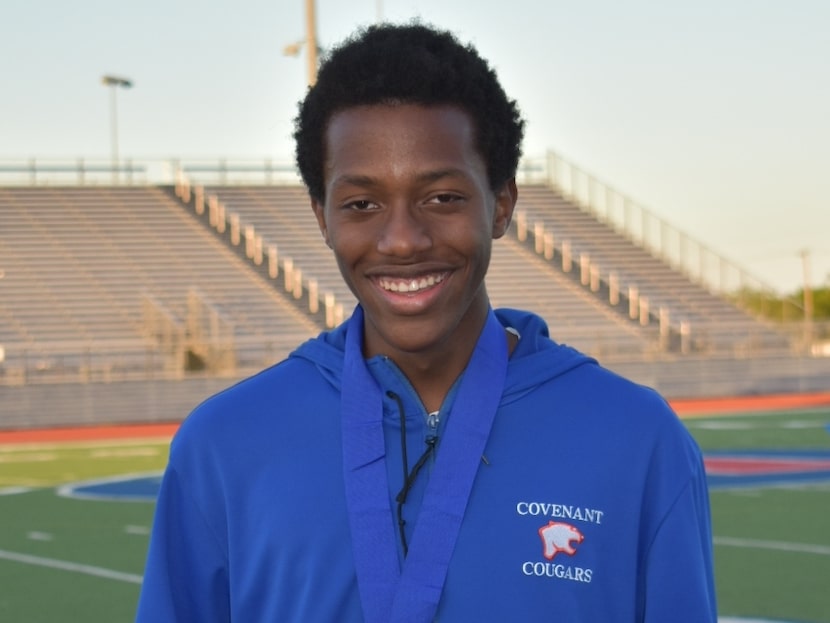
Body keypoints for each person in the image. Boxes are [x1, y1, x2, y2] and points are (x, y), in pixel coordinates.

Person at [136, 22, 717, 622]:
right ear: (323, 217)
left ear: (502, 204)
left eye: (442, 198)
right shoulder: (224, 444)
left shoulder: (638, 439)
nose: (403, 240)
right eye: (362, 204)